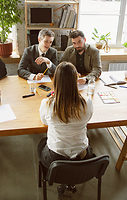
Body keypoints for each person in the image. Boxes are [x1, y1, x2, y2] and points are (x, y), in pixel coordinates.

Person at [38, 62, 94, 197]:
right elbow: (88, 119)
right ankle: (70, 182)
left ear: (56, 81)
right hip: (82, 157)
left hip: (55, 158)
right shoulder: (87, 103)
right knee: (87, 144)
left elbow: (44, 121)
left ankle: (62, 180)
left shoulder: (47, 104)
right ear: (76, 80)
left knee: (41, 144)